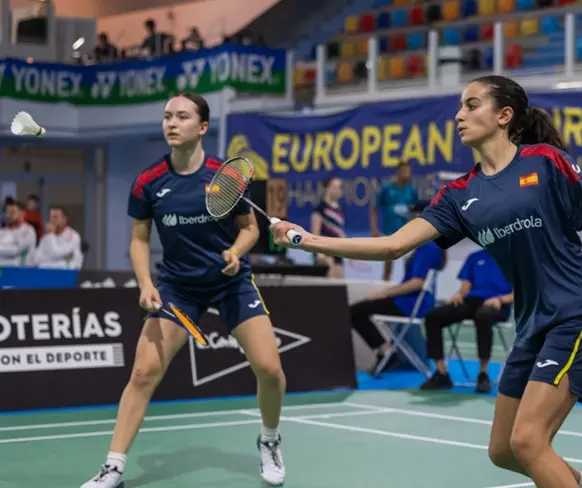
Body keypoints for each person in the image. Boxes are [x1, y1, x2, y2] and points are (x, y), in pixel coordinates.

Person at [270, 75, 582, 488]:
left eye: (471, 104)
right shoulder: (459, 194)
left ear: (504, 115)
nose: (459, 115)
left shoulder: (547, 162)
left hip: (579, 314)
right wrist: (309, 240)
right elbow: (393, 244)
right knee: (504, 452)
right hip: (533, 324)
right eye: (459, 106)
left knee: (530, 441)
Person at [81, 92, 287, 488]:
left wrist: (235, 251)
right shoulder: (149, 182)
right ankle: (113, 466)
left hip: (231, 282)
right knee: (143, 371)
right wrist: (145, 283)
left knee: (270, 369)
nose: (171, 123)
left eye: (182, 117)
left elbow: (250, 229)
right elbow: (139, 240)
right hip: (178, 287)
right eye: (166, 117)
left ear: (202, 127)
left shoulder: (224, 176)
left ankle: (270, 440)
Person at [350, 201, 445, 373]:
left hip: (411, 303)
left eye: (412, 216)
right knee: (360, 308)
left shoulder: (427, 247)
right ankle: (387, 352)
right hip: (409, 301)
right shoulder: (429, 244)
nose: (409, 220)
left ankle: (386, 352)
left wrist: (385, 293)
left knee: (355, 311)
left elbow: (417, 283)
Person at [420, 248, 512, 393]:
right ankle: (441, 373)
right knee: (433, 317)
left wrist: (500, 299)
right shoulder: (474, 257)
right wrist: (458, 295)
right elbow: (465, 288)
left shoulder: (513, 258)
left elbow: (519, 292)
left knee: (483, 316)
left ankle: (483, 374)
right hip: (472, 301)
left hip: (497, 304)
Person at [369, 161, 418, 281]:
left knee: (409, 265)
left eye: (409, 172)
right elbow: (374, 209)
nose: (407, 174)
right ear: (398, 172)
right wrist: (374, 230)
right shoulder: (386, 189)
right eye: (404, 171)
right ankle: (385, 291)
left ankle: (406, 290)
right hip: (389, 233)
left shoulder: (412, 191)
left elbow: (415, 213)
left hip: (406, 235)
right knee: (388, 266)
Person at [311, 177, 346, 278]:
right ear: (326, 188)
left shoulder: (339, 209)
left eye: (339, 187)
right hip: (325, 250)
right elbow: (315, 234)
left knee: (340, 281)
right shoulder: (319, 209)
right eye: (334, 187)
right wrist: (319, 254)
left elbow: (340, 232)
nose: (337, 190)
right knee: (330, 281)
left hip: (338, 250)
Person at [0, 199, 37, 267]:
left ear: (22, 213)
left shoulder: (28, 230)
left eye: (12, 212)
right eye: (7, 212)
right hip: (3, 271)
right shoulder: (2, 231)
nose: (8, 215)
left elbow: (15, 251)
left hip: (22, 272)